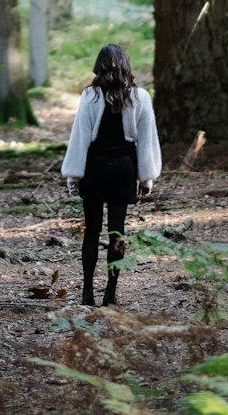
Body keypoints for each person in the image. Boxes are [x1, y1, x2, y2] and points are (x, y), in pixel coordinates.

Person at [61, 44, 162, 307]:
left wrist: (73, 174)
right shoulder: (140, 97)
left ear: (99, 65)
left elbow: (81, 137)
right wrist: (146, 177)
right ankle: (111, 291)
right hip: (123, 167)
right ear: (126, 65)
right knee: (117, 231)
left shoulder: (90, 96)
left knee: (91, 231)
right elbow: (147, 140)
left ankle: (87, 292)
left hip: (95, 166)